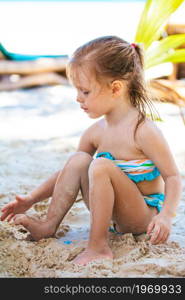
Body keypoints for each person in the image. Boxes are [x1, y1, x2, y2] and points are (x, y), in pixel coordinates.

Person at [1, 36, 182, 266]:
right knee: (79, 159)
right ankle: (48, 225)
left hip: (141, 217)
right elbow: (69, 174)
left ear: (116, 88)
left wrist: (166, 216)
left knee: (101, 165)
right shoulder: (95, 132)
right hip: (111, 214)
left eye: (85, 92)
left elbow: (173, 177)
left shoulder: (143, 130)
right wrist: (31, 199)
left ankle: (98, 246)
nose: (78, 98)